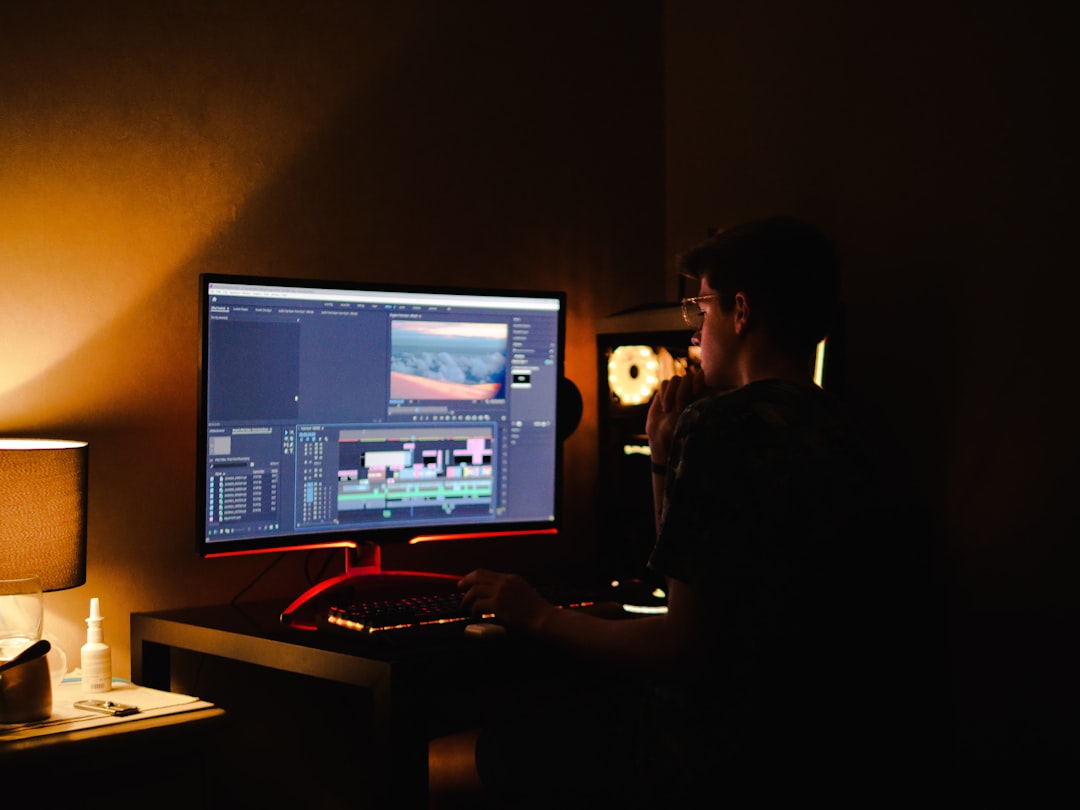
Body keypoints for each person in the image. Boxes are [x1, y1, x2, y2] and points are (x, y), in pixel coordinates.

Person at [429, 216, 938, 808]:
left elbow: (680, 646)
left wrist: (533, 613)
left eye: (701, 308)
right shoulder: (854, 428)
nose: (695, 333)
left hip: (705, 752)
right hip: (821, 753)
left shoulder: (721, 423)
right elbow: (690, 588)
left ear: (740, 312)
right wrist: (662, 459)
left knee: (437, 762)